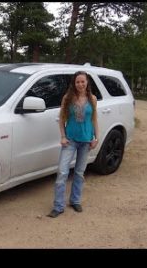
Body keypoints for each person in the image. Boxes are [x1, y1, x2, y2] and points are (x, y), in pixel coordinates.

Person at [47, 71, 99, 218]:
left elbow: (94, 119)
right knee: (62, 172)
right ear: (74, 83)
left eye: (83, 81)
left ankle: (75, 200)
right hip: (70, 140)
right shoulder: (67, 98)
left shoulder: (92, 99)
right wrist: (62, 136)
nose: (80, 84)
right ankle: (58, 206)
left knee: (79, 173)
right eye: (78, 82)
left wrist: (96, 138)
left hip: (86, 141)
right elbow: (62, 118)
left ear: (87, 83)